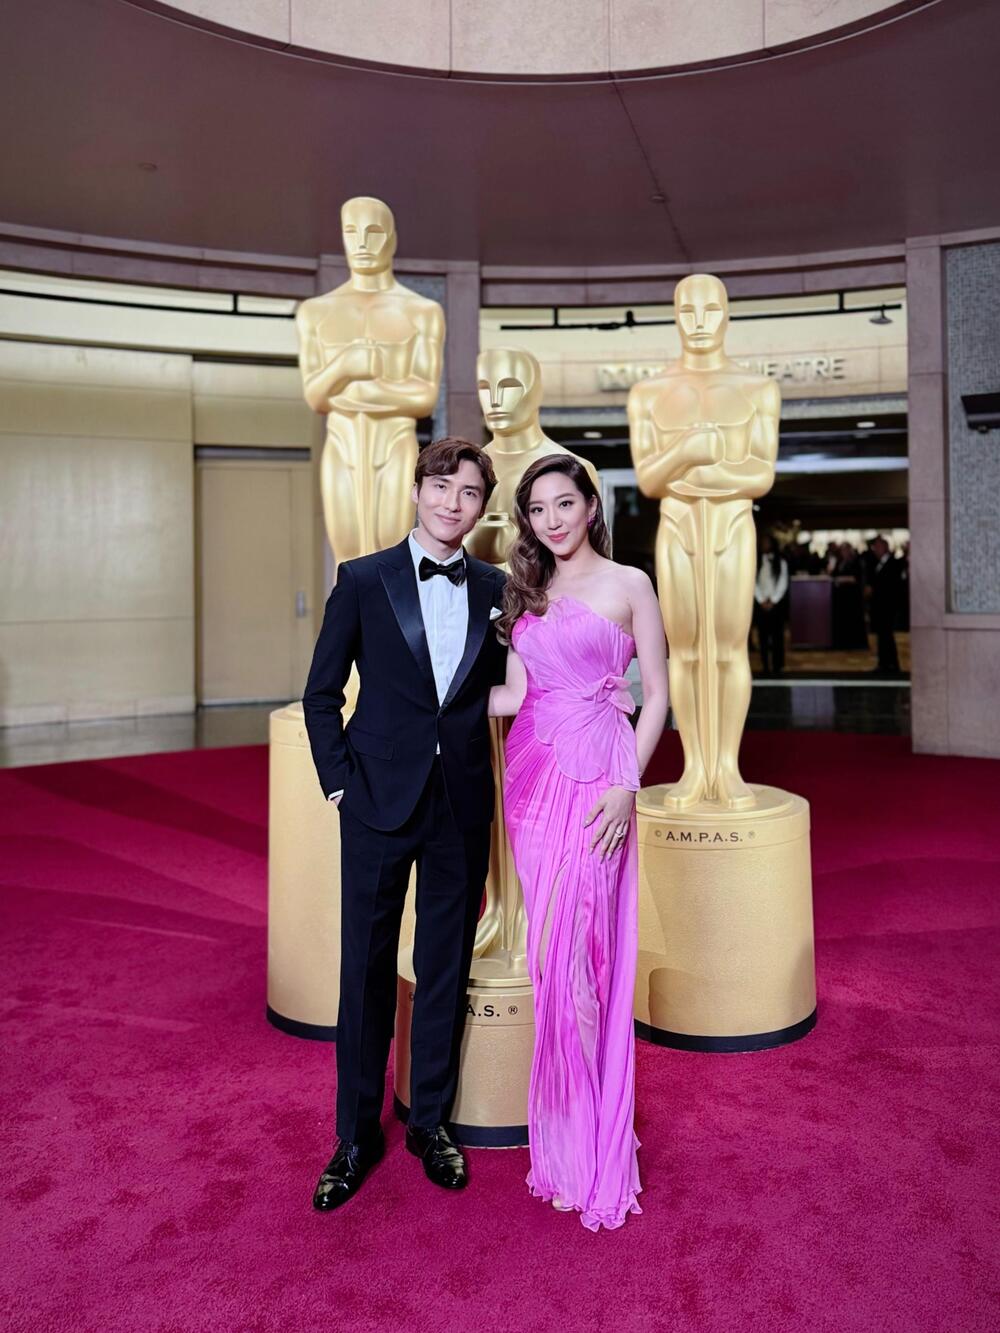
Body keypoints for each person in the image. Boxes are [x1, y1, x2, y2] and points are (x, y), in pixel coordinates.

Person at [302, 437, 507, 1212]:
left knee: (446, 968)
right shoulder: (362, 580)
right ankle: (355, 1137)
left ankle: (430, 1124)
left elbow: (521, 682)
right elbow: (322, 694)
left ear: (482, 507)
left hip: (459, 804)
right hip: (376, 804)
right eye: (442, 486)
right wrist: (339, 789)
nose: (454, 503)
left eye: (470, 493)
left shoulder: (495, 587)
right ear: (417, 489)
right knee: (365, 972)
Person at [489, 455, 669, 1231]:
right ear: (527, 520)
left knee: (584, 960)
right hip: (529, 782)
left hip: (602, 779)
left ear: (592, 505)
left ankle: (598, 1145)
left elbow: (657, 692)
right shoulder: (526, 593)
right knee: (550, 964)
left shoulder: (630, 584)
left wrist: (631, 784)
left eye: (565, 503)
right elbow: (514, 693)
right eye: (537, 509)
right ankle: (562, 1144)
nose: (552, 519)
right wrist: (420, 693)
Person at [754, 533, 789, 675]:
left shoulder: (781, 563)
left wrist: (773, 600)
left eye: (767, 542)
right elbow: (752, 582)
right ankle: (765, 666)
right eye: (763, 543)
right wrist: (761, 599)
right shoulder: (755, 561)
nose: (764, 545)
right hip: (761, 604)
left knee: (777, 638)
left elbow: (783, 583)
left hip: (776, 605)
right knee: (762, 638)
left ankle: (777, 666)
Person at [868, 534, 901, 673]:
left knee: (886, 635)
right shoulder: (879, 563)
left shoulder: (892, 563)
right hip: (880, 607)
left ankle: (891, 664)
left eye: (877, 547)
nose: (874, 550)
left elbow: (890, 587)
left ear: (884, 548)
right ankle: (884, 663)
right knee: (883, 636)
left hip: (887, 607)